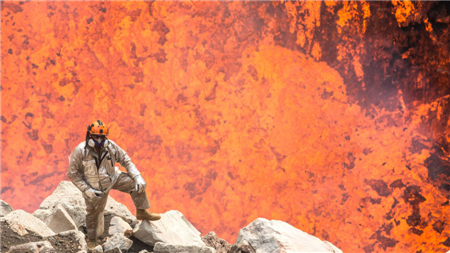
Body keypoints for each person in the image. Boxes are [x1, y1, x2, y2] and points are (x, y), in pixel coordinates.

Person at [67, 119, 161, 248]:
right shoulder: (80, 151)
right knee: (94, 213)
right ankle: (92, 239)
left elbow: (126, 161)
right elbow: (72, 174)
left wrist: (138, 177)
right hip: (94, 187)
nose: (99, 140)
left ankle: (142, 211)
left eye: (101, 137)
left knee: (135, 184)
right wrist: (86, 189)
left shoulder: (111, 146)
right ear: (89, 136)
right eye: (95, 136)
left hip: (112, 178)